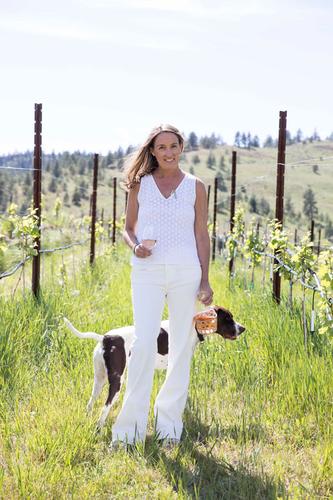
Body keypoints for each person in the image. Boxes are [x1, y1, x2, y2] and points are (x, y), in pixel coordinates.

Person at [112, 124, 213, 448]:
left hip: (186, 272)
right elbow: (128, 228)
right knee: (143, 344)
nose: (168, 152)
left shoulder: (196, 187)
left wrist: (205, 279)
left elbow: (201, 233)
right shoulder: (140, 185)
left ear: (181, 147)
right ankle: (129, 431)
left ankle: (169, 427)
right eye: (161, 147)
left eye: (173, 146)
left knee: (182, 347)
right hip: (147, 271)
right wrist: (135, 245)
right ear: (152, 151)